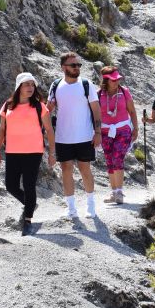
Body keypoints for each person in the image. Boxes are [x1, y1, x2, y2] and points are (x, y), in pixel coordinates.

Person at [0, 72, 54, 236]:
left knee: (29, 185)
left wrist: (52, 153)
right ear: (19, 86)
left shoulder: (39, 106)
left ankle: (28, 220)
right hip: (12, 151)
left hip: (33, 152)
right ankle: (30, 205)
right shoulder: (8, 105)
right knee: (11, 186)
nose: (30, 87)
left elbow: (49, 130)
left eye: (32, 84)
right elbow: (2, 129)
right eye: (27, 84)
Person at [47, 51, 102, 219]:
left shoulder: (87, 84)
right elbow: (47, 109)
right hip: (63, 137)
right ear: (63, 67)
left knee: (85, 169)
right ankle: (71, 208)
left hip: (85, 136)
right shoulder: (56, 85)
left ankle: (91, 205)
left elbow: (96, 110)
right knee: (66, 170)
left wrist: (98, 132)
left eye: (79, 65)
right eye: (73, 65)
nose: (77, 67)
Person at [99, 66, 137, 205]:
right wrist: (96, 132)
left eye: (118, 79)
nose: (116, 82)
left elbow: (132, 111)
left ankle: (119, 192)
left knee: (117, 158)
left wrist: (136, 129)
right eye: (113, 80)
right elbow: (95, 115)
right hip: (105, 131)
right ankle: (114, 192)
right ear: (106, 80)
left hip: (122, 130)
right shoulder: (99, 94)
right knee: (109, 161)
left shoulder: (124, 92)